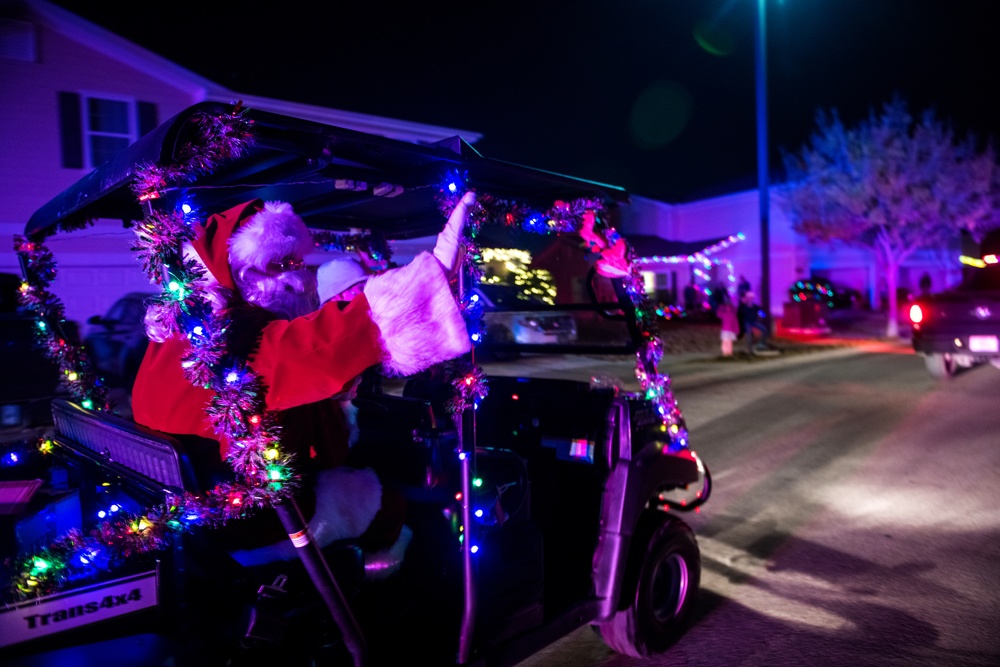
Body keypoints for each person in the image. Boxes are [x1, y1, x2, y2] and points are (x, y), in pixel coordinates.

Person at [131, 192, 476, 567]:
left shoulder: (174, 339)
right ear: (243, 273)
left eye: (299, 261)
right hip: (254, 519)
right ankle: (387, 597)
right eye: (282, 264)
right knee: (386, 504)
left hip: (199, 515)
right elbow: (322, 347)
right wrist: (434, 274)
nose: (299, 275)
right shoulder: (237, 338)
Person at [716, 291, 739, 357]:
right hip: (726, 329)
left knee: (729, 341)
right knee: (726, 340)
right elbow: (718, 314)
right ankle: (725, 352)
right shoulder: (724, 311)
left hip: (730, 328)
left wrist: (736, 329)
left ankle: (729, 352)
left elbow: (735, 321)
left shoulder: (732, 312)